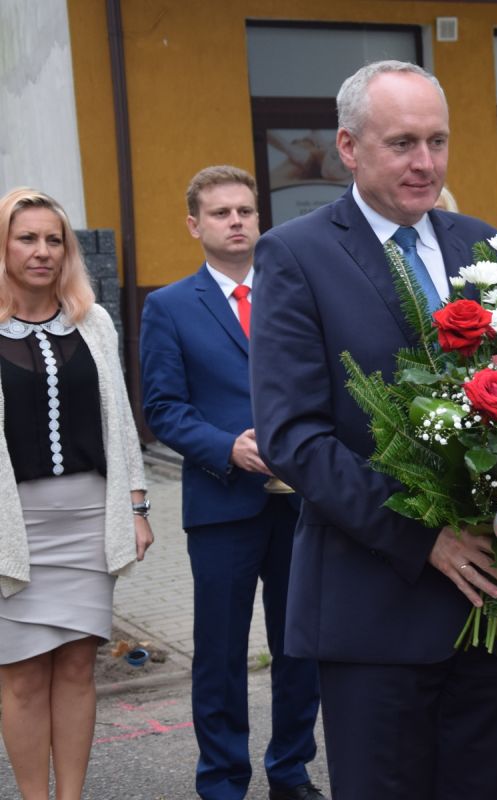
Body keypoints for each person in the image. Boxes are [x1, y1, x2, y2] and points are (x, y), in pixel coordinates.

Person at [249, 61, 497, 799]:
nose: (425, 163)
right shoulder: (297, 254)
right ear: (348, 147)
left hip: (491, 602)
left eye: (437, 141)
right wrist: (425, 537)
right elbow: (294, 436)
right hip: (375, 611)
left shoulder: (485, 246)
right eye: (403, 143)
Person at [139, 166, 323, 800]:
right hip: (221, 504)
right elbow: (163, 409)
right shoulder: (168, 307)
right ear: (195, 225)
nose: (236, 221)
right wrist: (228, 447)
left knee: (299, 646)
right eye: (221, 213)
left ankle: (291, 771)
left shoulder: (296, 294)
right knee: (220, 653)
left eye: (245, 210)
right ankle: (221, 780)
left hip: (302, 502)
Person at [0, 188, 153, 800]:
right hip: (13, 526)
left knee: (76, 669)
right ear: (4, 247)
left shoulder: (93, 322)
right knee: (20, 679)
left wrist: (137, 508)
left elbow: (121, 424)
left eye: (53, 240)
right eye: (27, 238)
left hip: (90, 520)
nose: (42, 251)